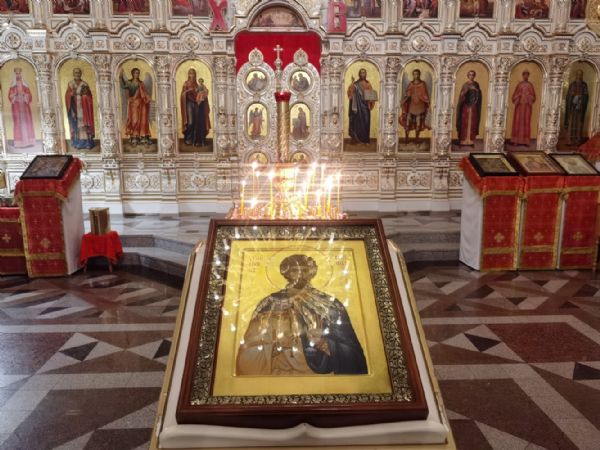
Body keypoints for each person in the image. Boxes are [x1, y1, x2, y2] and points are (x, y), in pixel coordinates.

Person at [236, 254, 368, 376]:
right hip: (278, 377)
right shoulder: (269, 305)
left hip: (319, 377)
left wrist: (323, 343)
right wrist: (276, 345)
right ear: (286, 273)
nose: (300, 275)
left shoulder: (329, 304)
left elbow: (353, 353)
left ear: (311, 273)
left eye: (304, 270)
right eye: (295, 270)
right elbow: (247, 355)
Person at [65, 68, 95, 149]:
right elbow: (67, 96)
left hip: (84, 108)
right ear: (73, 74)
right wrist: (71, 94)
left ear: (81, 74)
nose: (77, 74)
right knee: (77, 124)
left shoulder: (84, 84)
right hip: (74, 107)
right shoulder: (70, 84)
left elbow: (89, 96)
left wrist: (85, 96)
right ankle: (78, 142)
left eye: (78, 73)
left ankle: (87, 142)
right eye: (75, 73)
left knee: (84, 123)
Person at [120, 68, 151, 146]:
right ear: (132, 74)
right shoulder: (129, 82)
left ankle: (142, 136)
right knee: (134, 120)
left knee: (142, 120)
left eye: (138, 73)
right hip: (133, 104)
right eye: (135, 73)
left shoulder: (141, 83)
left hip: (141, 103)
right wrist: (120, 77)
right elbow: (123, 86)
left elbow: (144, 93)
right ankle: (134, 136)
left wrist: (147, 98)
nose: (137, 74)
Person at [180, 68, 211, 147]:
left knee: (197, 122)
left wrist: (203, 93)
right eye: (190, 74)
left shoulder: (197, 85)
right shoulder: (186, 84)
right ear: (188, 75)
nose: (192, 75)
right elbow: (183, 95)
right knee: (190, 122)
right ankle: (188, 138)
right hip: (189, 104)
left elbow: (200, 93)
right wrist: (188, 91)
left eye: (193, 74)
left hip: (197, 104)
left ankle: (196, 139)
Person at [347, 68, 376, 144]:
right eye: (361, 73)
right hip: (358, 107)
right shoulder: (356, 84)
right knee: (358, 123)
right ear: (359, 74)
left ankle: (365, 140)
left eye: (364, 73)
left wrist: (371, 100)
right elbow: (350, 93)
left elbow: (371, 95)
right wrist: (352, 83)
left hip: (366, 107)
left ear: (366, 74)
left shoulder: (368, 84)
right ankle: (357, 140)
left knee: (366, 122)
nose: (363, 74)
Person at [400, 69, 430, 141]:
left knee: (418, 121)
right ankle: (406, 137)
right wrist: (405, 99)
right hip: (412, 105)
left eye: (417, 74)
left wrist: (427, 102)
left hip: (420, 105)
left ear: (419, 75)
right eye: (414, 74)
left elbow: (425, 94)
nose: (415, 76)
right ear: (413, 75)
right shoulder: (411, 84)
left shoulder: (422, 84)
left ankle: (417, 138)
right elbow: (407, 94)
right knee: (408, 120)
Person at [8, 68, 35, 148]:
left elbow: (29, 95)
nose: (18, 75)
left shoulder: (25, 85)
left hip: (25, 107)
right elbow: (10, 96)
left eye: (19, 73)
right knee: (18, 123)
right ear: (15, 75)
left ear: (21, 74)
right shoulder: (12, 86)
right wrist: (14, 95)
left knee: (27, 122)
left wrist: (25, 94)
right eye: (16, 74)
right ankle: (19, 143)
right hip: (17, 107)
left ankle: (29, 142)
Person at [456, 70, 482, 146]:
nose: (471, 76)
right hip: (466, 106)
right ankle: (463, 140)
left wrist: (476, 90)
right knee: (465, 122)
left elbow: (479, 95)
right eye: (470, 75)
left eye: (473, 75)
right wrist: (466, 90)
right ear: (468, 76)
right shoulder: (465, 85)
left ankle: (470, 141)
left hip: (473, 106)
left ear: (474, 76)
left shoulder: (476, 84)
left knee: (473, 122)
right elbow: (461, 95)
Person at [510, 70, 536, 146]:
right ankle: (516, 141)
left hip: (527, 107)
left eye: (527, 75)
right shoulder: (519, 85)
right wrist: (519, 95)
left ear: (528, 76)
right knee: (517, 123)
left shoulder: (530, 85)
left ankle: (526, 141)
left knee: (526, 123)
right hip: (519, 107)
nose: (525, 76)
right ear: (522, 75)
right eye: (524, 75)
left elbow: (534, 97)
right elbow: (513, 97)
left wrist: (529, 96)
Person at [564, 69, 588, 146]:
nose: (579, 76)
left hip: (580, 108)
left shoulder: (584, 85)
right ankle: (569, 141)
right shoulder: (572, 85)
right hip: (572, 108)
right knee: (571, 123)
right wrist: (573, 97)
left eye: (580, 75)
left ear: (582, 76)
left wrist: (581, 97)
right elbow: (568, 96)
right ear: (576, 75)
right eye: (578, 74)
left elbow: (586, 96)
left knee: (578, 124)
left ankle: (577, 140)